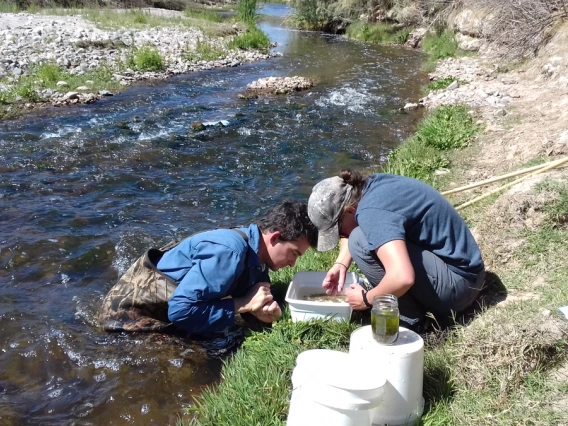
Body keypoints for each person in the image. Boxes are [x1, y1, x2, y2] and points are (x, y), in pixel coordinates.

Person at [99, 201, 317, 334]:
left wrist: (264, 309)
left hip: (166, 305)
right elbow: (180, 311)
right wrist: (242, 304)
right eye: (294, 253)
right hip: (125, 319)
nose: (292, 263)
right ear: (275, 237)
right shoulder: (229, 252)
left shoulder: (256, 249)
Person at [307, 170, 485, 331]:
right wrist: (341, 264)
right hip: (468, 274)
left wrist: (367, 299)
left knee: (359, 241)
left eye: (339, 232)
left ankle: (413, 322)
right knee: (357, 238)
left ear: (350, 210)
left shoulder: (372, 213)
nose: (341, 237)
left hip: (459, 287)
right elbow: (354, 228)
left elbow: (402, 277)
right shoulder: (371, 187)